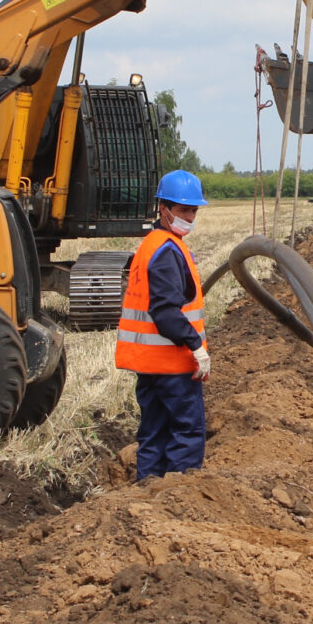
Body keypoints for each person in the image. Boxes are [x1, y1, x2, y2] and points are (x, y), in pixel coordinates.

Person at [115, 170, 210, 481]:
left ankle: (148, 492)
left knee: (154, 433)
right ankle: (177, 499)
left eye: (193, 210)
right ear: (163, 209)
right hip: (173, 367)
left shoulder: (155, 244)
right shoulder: (167, 250)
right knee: (187, 431)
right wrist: (195, 345)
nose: (190, 216)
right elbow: (165, 311)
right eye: (183, 210)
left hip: (151, 367)